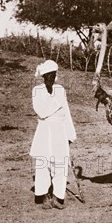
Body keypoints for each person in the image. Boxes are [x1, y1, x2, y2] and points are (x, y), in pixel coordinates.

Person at [30, 60, 77, 210]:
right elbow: (41, 111)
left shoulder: (60, 90)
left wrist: (70, 134)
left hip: (60, 131)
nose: (51, 78)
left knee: (60, 165)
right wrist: (54, 99)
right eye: (48, 75)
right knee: (43, 164)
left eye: (53, 75)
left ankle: (58, 197)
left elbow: (66, 112)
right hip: (44, 131)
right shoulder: (37, 91)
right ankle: (43, 196)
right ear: (43, 76)